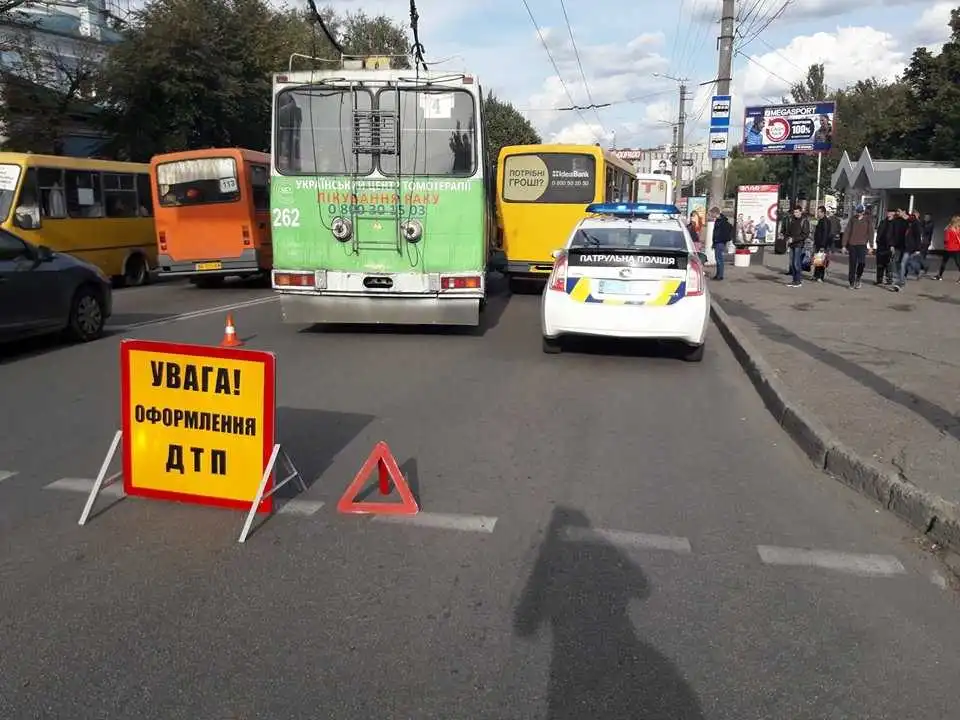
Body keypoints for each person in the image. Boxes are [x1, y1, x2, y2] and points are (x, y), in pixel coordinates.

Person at [842, 204, 871, 289]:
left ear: (863, 212)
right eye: (857, 212)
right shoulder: (853, 219)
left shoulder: (867, 220)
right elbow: (847, 231)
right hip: (852, 244)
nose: (859, 214)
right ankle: (851, 282)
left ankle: (858, 277)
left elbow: (871, 233)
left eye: (860, 212)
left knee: (862, 263)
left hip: (862, 245)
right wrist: (844, 245)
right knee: (852, 264)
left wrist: (871, 245)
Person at [784, 205, 810, 287]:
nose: (795, 214)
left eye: (797, 212)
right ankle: (794, 280)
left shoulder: (804, 221)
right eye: (794, 212)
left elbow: (805, 234)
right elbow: (788, 231)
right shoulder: (792, 220)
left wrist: (794, 239)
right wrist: (787, 237)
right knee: (792, 263)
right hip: (792, 244)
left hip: (799, 244)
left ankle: (798, 281)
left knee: (796, 263)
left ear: (800, 212)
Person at [874, 209, 896, 285]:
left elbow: (896, 235)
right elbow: (879, 232)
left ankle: (889, 279)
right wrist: (877, 241)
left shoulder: (895, 223)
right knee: (880, 263)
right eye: (888, 212)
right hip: (881, 245)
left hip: (889, 246)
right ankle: (879, 279)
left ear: (894, 213)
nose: (888, 214)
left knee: (889, 263)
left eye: (890, 212)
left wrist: (892, 245)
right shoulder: (883, 222)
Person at [811, 205, 832, 282]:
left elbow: (825, 234)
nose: (818, 213)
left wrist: (823, 245)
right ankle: (816, 275)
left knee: (821, 261)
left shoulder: (825, 221)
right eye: (817, 212)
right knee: (817, 260)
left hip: (822, 244)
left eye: (819, 212)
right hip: (818, 243)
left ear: (823, 212)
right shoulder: (820, 220)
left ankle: (820, 276)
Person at [711, 207, 732, 280]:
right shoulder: (719, 220)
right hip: (718, 242)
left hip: (720, 242)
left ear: (715, 213)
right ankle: (718, 274)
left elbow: (718, 233)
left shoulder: (721, 221)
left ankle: (720, 275)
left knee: (719, 259)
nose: (711, 215)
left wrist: (718, 240)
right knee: (718, 259)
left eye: (712, 213)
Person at [937, 215, 960, 281]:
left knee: (944, 262)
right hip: (957, 249)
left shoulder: (948, 229)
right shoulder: (959, 229)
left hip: (948, 248)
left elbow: (946, 240)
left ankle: (940, 276)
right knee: (958, 263)